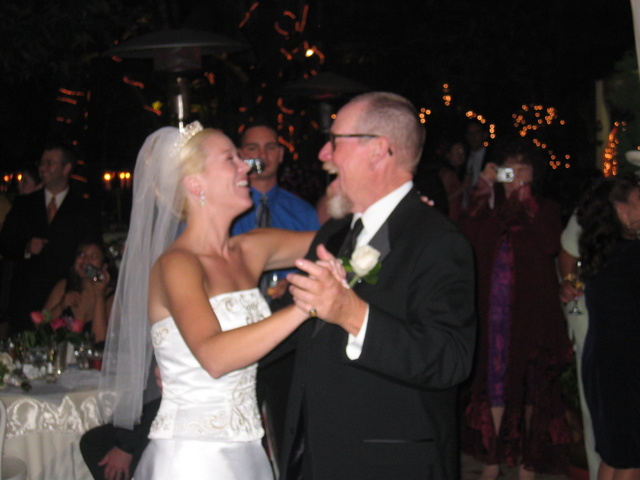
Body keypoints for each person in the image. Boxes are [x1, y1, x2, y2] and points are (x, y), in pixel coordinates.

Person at [99, 122, 317, 480]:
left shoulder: (252, 247)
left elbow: (339, 243)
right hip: (194, 457)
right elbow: (215, 357)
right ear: (195, 184)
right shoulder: (177, 264)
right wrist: (304, 307)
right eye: (230, 159)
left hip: (248, 449)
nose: (247, 166)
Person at [281, 91, 477, 479]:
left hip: (388, 465)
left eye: (335, 141)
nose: (323, 154)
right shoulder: (334, 232)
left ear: (378, 150)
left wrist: (353, 314)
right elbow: (299, 331)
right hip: (316, 457)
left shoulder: (439, 241)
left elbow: (451, 359)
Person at [457, 139, 571, 478]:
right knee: (492, 383)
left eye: (524, 168)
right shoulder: (487, 208)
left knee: (531, 384)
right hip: (492, 314)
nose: (516, 175)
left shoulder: (545, 208)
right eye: (510, 168)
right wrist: (482, 190)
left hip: (531, 314)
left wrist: (526, 202)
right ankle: (491, 459)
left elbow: (550, 243)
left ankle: (528, 464)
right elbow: (465, 238)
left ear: (535, 173)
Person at [231, 123, 320, 464]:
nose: (261, 156)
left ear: (281, 155)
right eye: (252, 148)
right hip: (236, 333)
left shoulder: (302, 212)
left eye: (269, 147)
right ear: (240, 155)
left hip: (288, 337)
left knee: (289, 429)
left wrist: (293, 285)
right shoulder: (228, 209)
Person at [577, 174, 640, 480]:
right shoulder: (629, 256)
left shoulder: (600, 251)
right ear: (621, 209)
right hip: (626, 364)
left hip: (603, 360)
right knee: (630, 456)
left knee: (616, 454)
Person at [0, 143, 101, 333]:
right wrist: (26, 247)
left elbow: (94, 251)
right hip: (26, 301)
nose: (42, 168)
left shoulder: (84, 209)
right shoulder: (24, 204)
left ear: (66, 168)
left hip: (67, 301)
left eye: (49, 163)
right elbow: (5, 244)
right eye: (42, 162)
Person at [558, 212, 601, 480]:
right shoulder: (601, 202)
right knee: (598, 410)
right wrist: (570, 285)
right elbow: (568, 251)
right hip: (600, 321)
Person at [42, 240, 114, 344]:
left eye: (93, 257)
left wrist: (100, 297)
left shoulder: (112, 296)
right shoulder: (64, 286)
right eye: (81, 254)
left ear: (104, 266)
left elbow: (100, 341)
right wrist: (61, 306)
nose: (85, 260)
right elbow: (39, 328)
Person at [437, 139, 469, 219]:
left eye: (462, 151)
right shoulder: (447, 173)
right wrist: (463, 188)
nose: (460, 155)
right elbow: (442, 200)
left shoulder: (458, 172)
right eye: (456, 152)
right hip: (449, 217)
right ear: (448, 155)